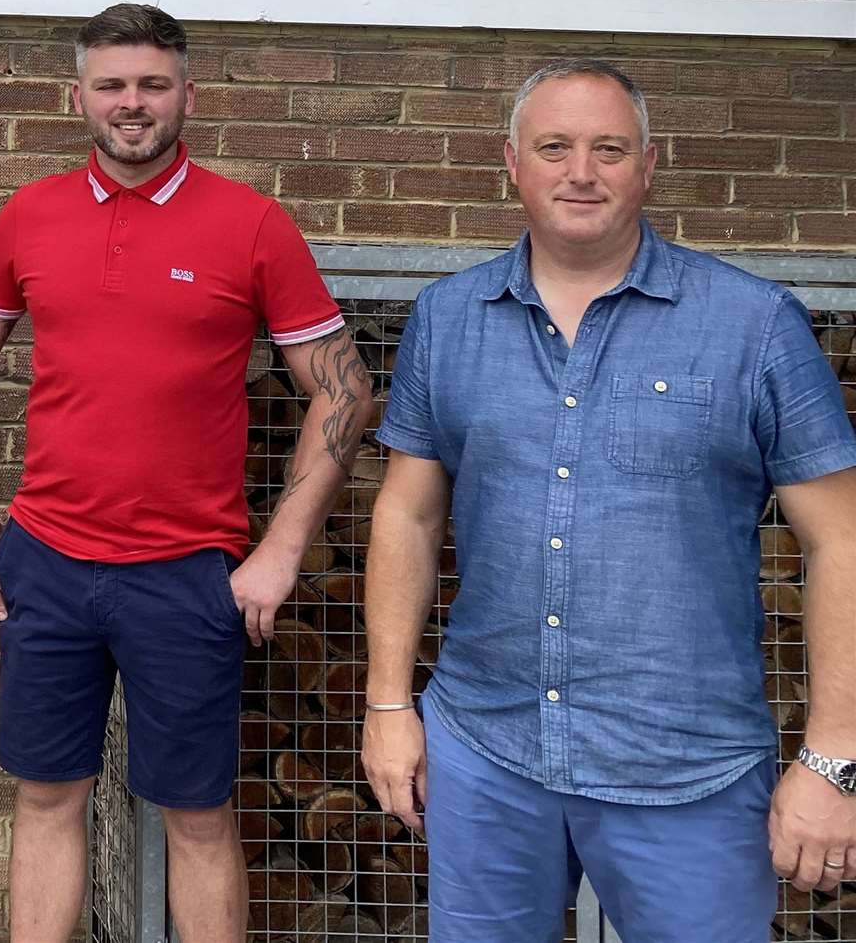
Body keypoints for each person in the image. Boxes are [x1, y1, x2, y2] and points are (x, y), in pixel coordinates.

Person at [361, 58, 856, 942]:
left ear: (649, 165)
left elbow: (841, 541)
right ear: (511, 163)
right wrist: (388, 703)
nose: (580, 171)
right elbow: (407, 512)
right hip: (485, 749)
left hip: (686, 761)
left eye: (608, 149)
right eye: (554, 147)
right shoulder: (448, 317)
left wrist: (834, 759)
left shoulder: (754, 323)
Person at [0, 3, 374, 943]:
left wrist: (281, 550)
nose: (130, 104)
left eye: (150, 84)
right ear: (79, 97)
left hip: (187, 572)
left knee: (199, 814)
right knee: (47, 798)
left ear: (187, 94)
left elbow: (345, 389)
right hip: (47, 562)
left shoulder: (252, 224)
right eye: (111, 85)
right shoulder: (30, 214)